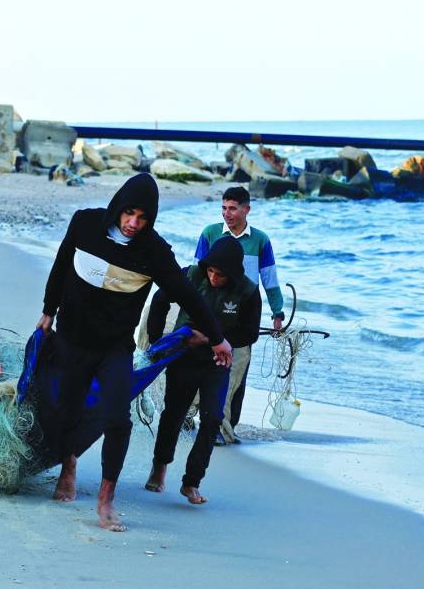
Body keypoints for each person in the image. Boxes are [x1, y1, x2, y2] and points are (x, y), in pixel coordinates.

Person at [38, 172, 233, 532]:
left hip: (114, 347)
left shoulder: (153, 251)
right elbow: (62, 264)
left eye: (143, 218)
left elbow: (188, 295)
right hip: (72, 339)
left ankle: (105, 498)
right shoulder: (85, 223)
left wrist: (218, 336)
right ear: (117, 208)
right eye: (129, 214)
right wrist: (49, 310)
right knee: (65, 411)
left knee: (118, 419)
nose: (133, 224)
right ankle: (68, 466)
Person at [144, 236, 260, 504]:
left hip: (218, 362)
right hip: (184, 357)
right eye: (210, 270)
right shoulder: (191, 275)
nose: (213, 277)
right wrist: (155, 342)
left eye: (220, 274)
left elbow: (250, 332)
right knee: (173, 413)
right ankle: (159, 467)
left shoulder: (248, 291)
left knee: (212, 417)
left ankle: (192, 482)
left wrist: (210, 340)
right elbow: (159, 301)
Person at [194, 186, 284, 444]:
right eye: (223, 208)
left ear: (247, 209)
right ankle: (194, 417)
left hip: (243, 315)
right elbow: (197, 273)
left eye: (233, 208)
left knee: (236, 372)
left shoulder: (260, 240)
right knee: (200, 364)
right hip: (211, 311)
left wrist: (277, 313)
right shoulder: (210, 233)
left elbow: (269, 278)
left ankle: (225, 427)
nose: (227, 214)